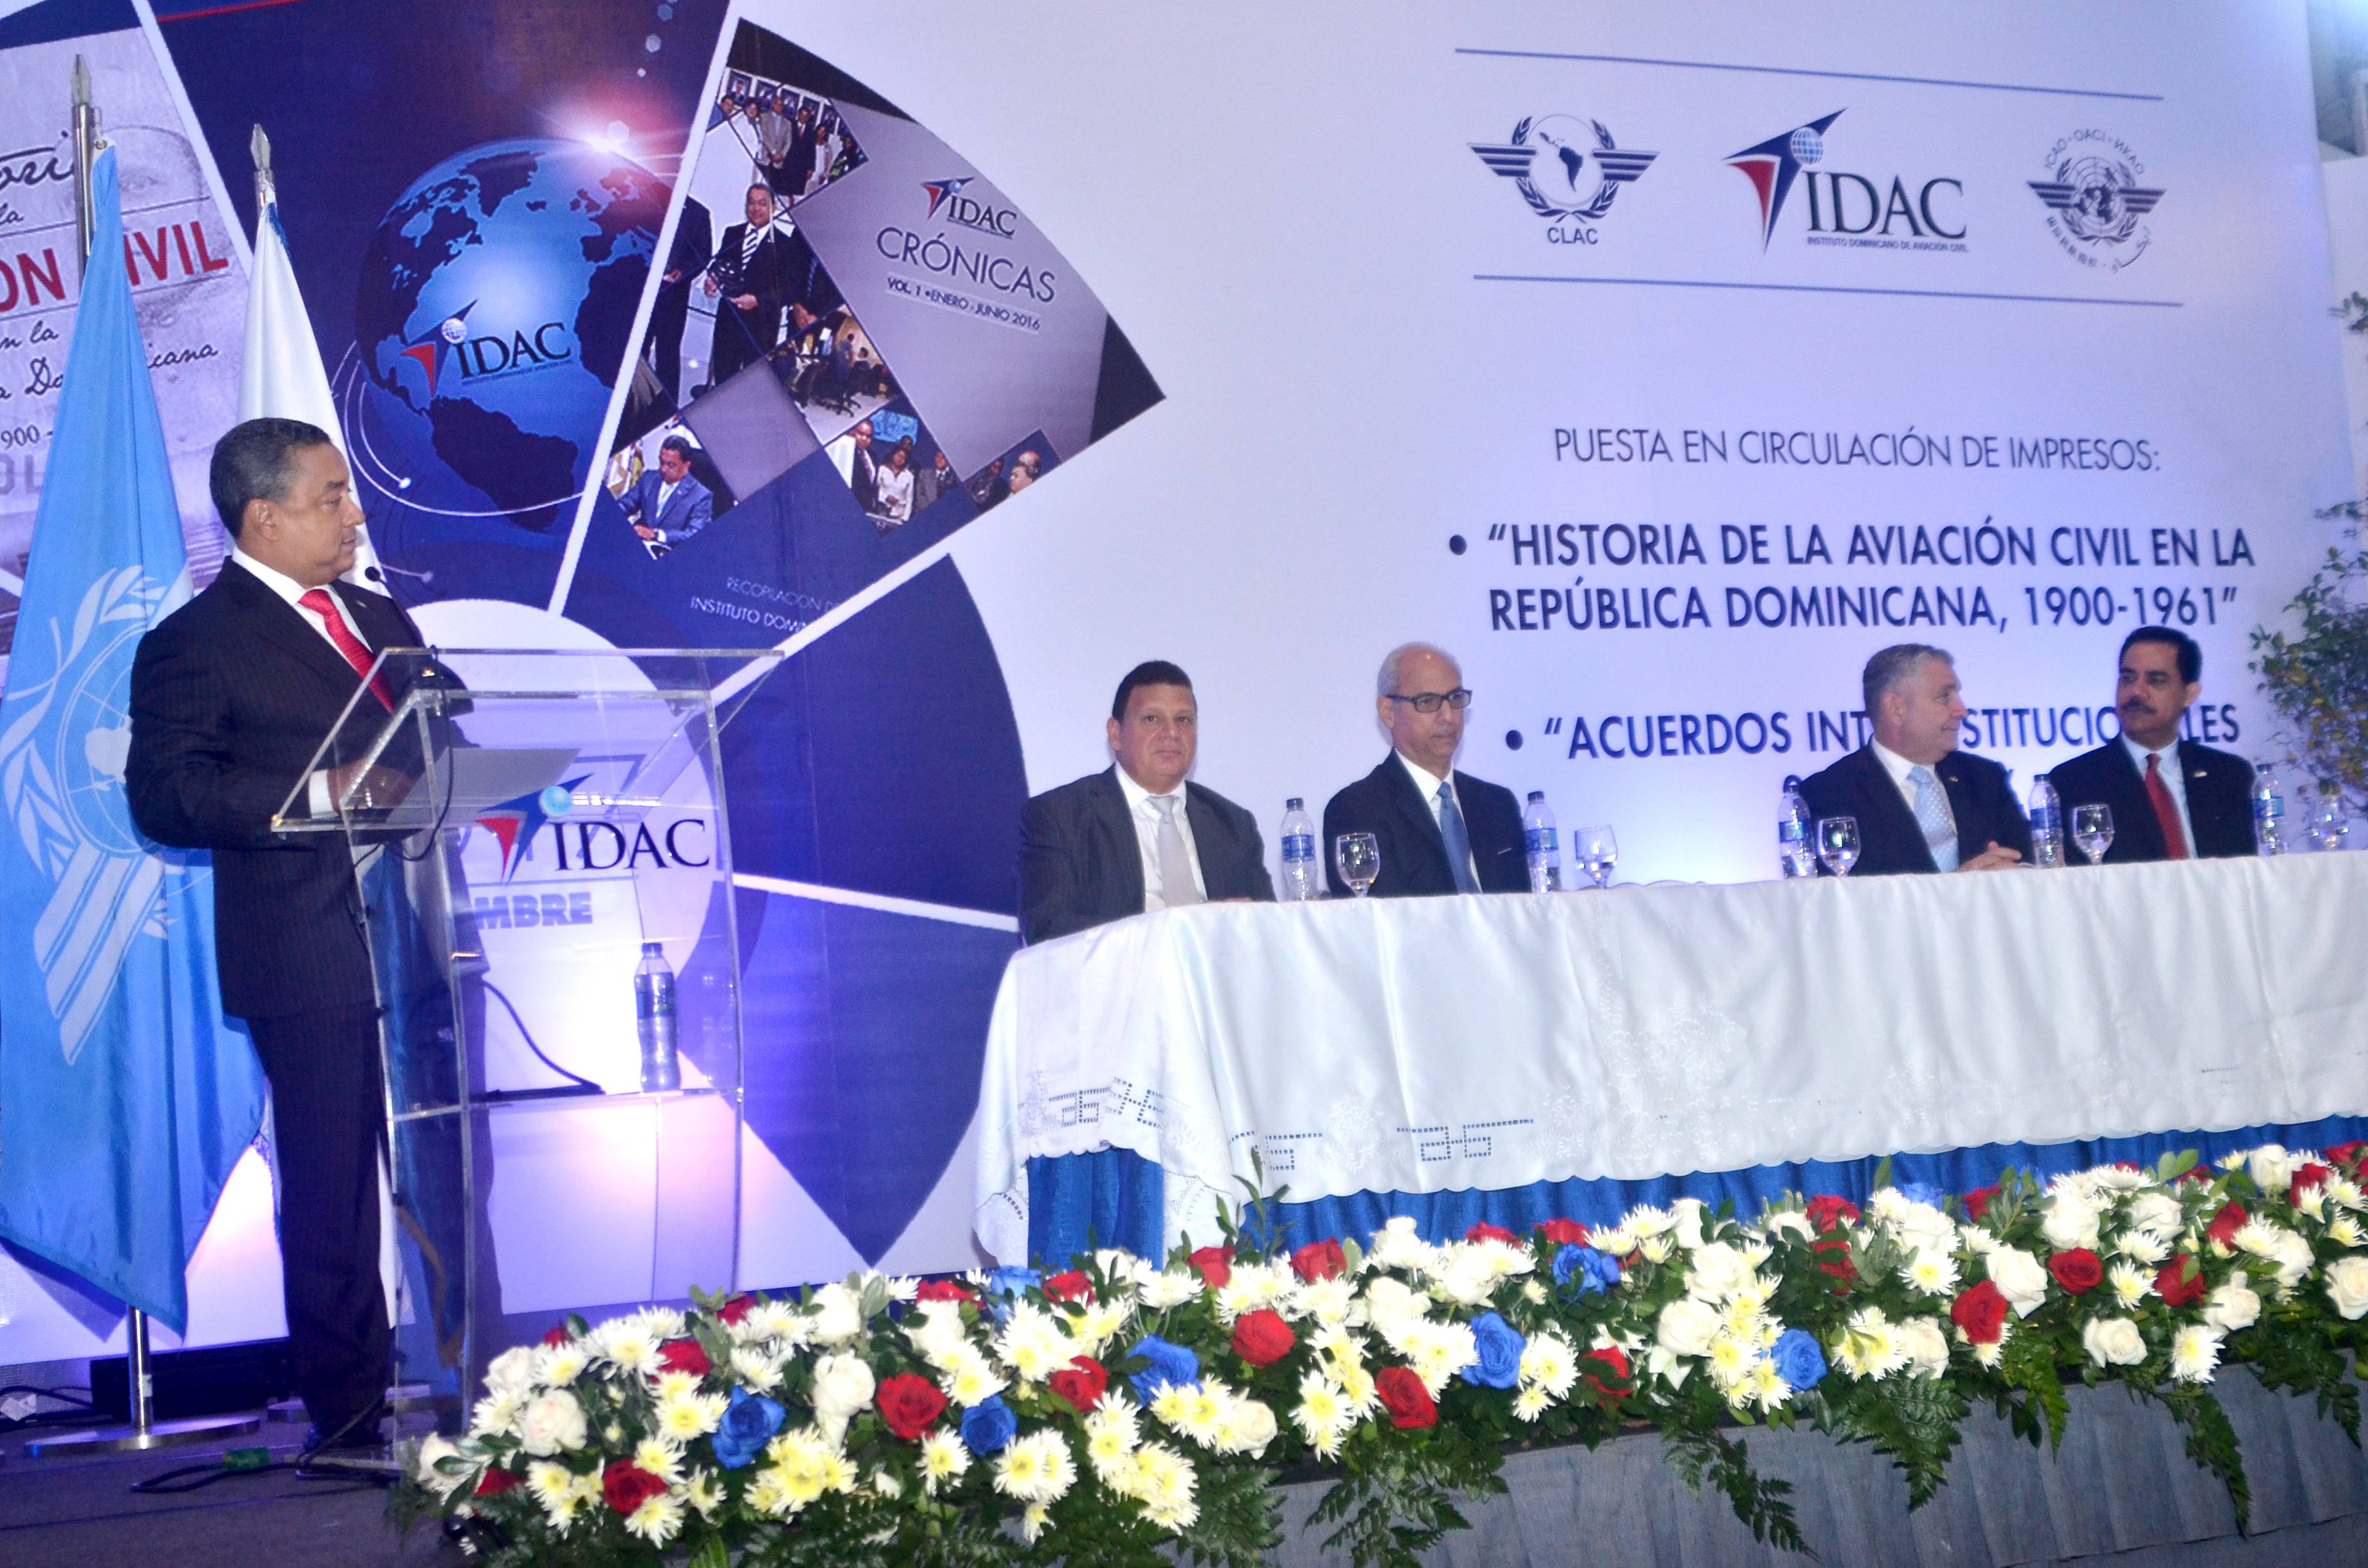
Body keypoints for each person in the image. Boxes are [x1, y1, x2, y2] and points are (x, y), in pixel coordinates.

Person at [124, 418, 433, 1451]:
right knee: (333, 1190)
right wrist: (317, 793)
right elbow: (167, 796)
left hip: (420, 934)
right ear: (263, 517)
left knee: (450, 1166)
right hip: (306, 946)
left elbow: (439, 741)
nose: (355, 513)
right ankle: (349, 1419)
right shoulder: (195, 643)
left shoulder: (381, 616)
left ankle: (486, 1387)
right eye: (331, 496)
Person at [1019, 660, 1276, 943]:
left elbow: (1271, 928)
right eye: (1152, 719)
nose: (1172, 733)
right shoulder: (1060, 817)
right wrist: (1180, 929)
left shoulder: (1233, 825)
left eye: (1183, 720)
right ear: (1115, 734)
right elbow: (1050, 929)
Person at [1796, 643, 2032, 876]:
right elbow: (1836, 894)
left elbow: (2031, 862)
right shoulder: (1829, 794)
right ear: (1896, 708)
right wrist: (1956, 887)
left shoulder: (1984, 778)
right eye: (1944, 696)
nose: (1961, 710)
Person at [1322, 642, 1525, 896]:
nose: (1449, 716)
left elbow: (1526, 908)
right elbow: (1378, 914)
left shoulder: (1497, 804)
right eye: (1427, 702)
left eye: (1456, 698)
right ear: (1388, 712)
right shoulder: (1356, 810)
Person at [2045, 626, 2257, 862]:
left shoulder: (2229, 775)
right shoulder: (2073, 782)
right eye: (2128, 678)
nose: (2137, 692)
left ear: (2189, 694)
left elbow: (2251, 868)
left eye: (2156, 680)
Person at [705, 184, 793, 385]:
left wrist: (758, 300)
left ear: (774, 208)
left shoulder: (786, 245)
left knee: (750, 384)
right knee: (723, 380)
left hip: (761, 326)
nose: (756, 208)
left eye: (762, 203)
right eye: (751, 203)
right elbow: (719, 266)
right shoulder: (732, 233)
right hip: (728, 320)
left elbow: (790, 290)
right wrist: (712, 282)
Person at [649, 197, 711, 406]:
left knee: (668, 354)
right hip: (639, 292)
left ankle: (666, 409)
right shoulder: (643, 199)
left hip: (673, 296)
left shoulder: (698, 213)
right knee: (636, 352)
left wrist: (682, 273)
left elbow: (703, 255)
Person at [626, 435, 714, 548]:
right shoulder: (649, 478)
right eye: (661, 462)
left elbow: (695, 535)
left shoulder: (701, 496)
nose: (663, 469)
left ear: (687, 465)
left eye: (671, 465)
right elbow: (626, 503)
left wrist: (657, 535)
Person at [873, 444, 913, 530]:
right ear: (893, 455)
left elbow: (909, 498)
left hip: (898, 515)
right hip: (881, 511)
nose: (900, 459)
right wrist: (885, 498)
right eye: (899, 456)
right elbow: (875, 489)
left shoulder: (909, 476)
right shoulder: (882, 469)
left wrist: (905, 519)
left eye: (904, 458)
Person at [910, 447, 955, 516]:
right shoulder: (925, 473)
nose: (940, 460)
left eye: (943, 458)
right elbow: (918, 495)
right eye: (938, 457)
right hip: (923, 513)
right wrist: (930, 510)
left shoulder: (953, 478)